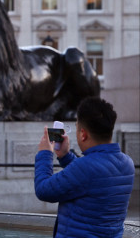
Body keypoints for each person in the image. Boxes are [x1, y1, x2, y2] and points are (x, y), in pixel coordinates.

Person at [35, 97, 135, 237]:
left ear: (83, 134)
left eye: (76, 129)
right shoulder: (127, 164)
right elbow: (91, 180)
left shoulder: (85, 168)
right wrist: (65, 156)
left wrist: (45, 153)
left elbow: (43, 190)